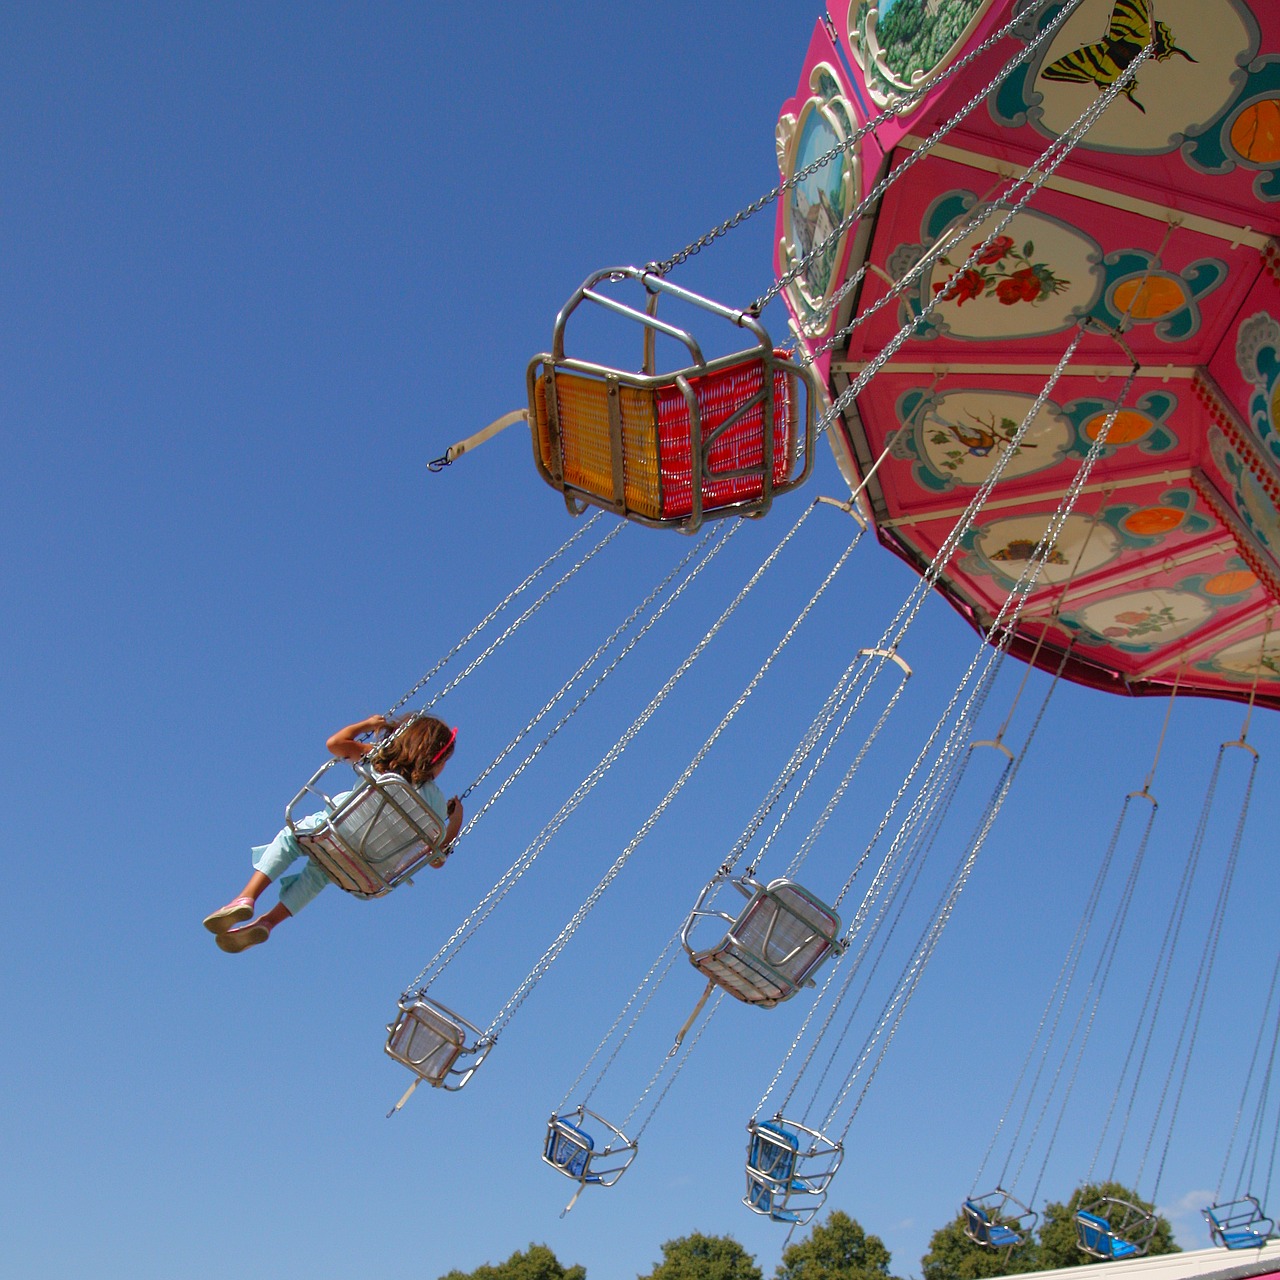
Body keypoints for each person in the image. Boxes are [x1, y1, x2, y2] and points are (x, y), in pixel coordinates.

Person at [203, 713, 462, 953]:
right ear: (436, 759)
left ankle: (246, 897)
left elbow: (335, 743)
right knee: (321, 874)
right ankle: (269, 922)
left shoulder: (381, 760)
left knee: (291, 839)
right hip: (366, 870)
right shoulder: (436, 803)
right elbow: (436, 857)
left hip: (332, 835)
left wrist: (368, 725)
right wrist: (456, 820)